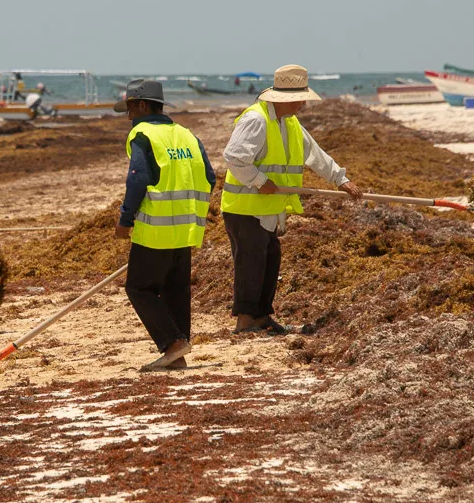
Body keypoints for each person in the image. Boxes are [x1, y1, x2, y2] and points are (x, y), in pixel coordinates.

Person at [221, 64, 362, 335]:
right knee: (250, 263)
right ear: (288, 99)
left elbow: (314, 154)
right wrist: (260, 181)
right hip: (244, 208)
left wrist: (340, 179)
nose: (303, 105)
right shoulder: (256, 120)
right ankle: (244, 322)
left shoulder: (291, 123)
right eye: (301, 99)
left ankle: (262, 317)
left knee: (270, 259)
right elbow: (234, 158)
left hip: (269, 208)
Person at [114, 79, 216, 371]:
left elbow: (137, 180)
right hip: (186, 227)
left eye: (130, 108)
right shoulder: (186, 135)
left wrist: (125, 220)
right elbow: (209, 176)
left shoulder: (142, 134)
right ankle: (178, 352)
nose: (128, 116)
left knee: (139, 288)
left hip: (156, 228)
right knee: (176, 288)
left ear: (143, 106)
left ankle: (172, 342)